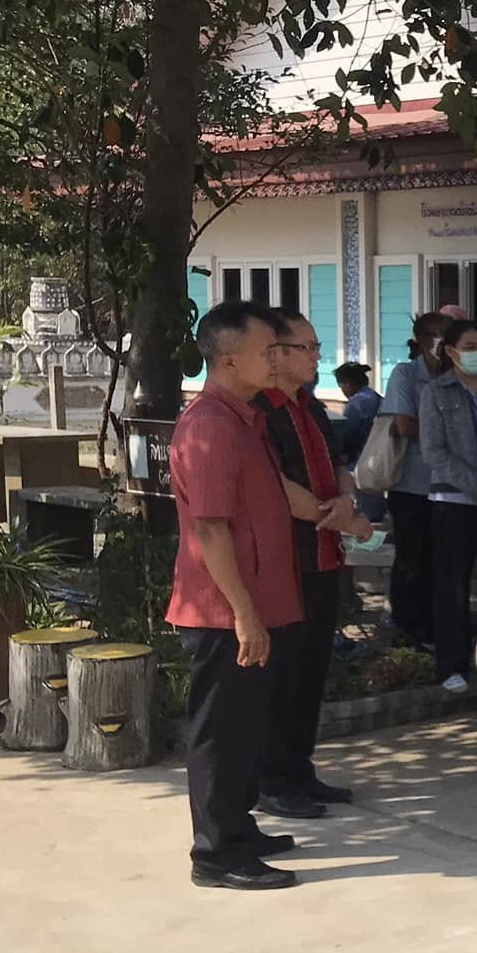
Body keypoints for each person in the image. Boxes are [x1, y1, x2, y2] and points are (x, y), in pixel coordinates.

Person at [168, 301, 306, 890]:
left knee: (246, 728)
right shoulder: (210, 425)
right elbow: (211, 529)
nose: (277, 359)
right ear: (228, 360)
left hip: (252, 607)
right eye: (267, 351)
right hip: (224, 612)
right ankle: (217, 854)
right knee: (220, 732)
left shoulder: (245, 417)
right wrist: (245, 615)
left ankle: (237, 828)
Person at [255, 311, 368, 819]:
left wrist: (345, 502)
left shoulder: (312, 406)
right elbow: (274, 486)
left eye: (317, 347)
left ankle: (300, 770)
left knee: (311, 672)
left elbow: (340, 465)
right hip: (285, 563)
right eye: (307, 347)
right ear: (276, 354)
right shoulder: (259, 410)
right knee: (280, 676)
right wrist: (337, 516)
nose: (316, 356)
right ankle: (271, 780)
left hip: (324, 557)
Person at [421, 318, 477, 694]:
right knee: (452, 585)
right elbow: (433, 452)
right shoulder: (436, 392)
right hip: (455, 502)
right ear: (452, 352)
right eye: (470, 347)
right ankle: (451, 665)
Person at [380, 309, 449, 645]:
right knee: (412, 559)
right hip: (412, 484)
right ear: (422, 341)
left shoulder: (457, 375)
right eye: (439, 335)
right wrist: (449, 428)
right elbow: (405, 425)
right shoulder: (406, 375)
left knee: (443, 561)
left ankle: (437, 629)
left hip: (450, 486)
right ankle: (407, 630)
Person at [335, 360, 386, 523]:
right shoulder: (375, 397)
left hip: (362, 461)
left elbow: (348, 434)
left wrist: (341, 455)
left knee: (366, 514)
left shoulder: (358, 403)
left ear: (347, 384)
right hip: (379, 459)